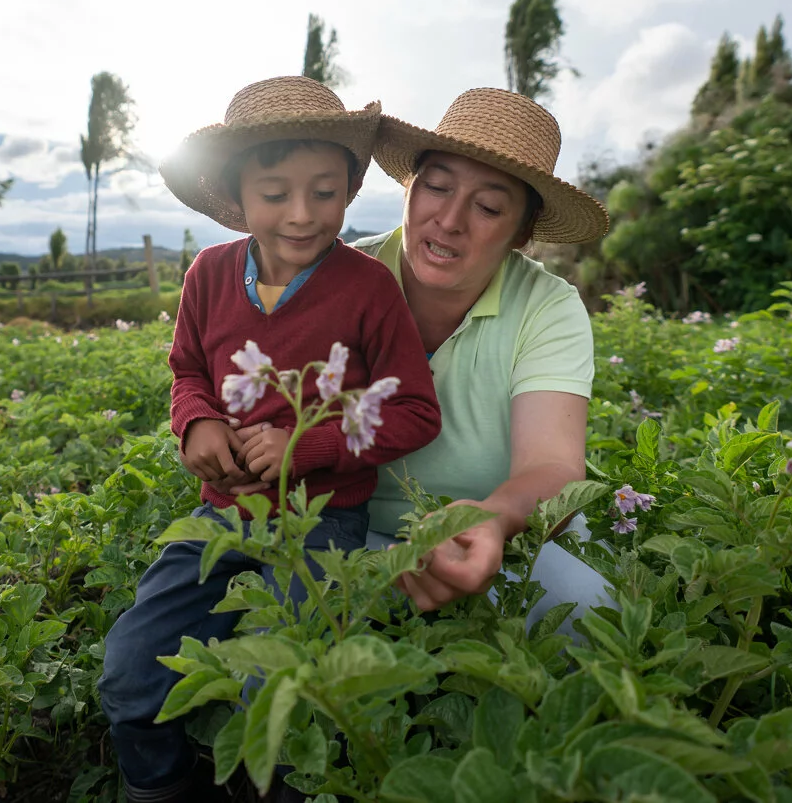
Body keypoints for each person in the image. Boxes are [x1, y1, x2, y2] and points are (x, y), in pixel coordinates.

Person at [97, 76, 442, 803]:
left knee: (275, 688)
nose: (302, 213)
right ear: (237, 198)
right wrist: (196, 422)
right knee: (130, 668)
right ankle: (157, 787)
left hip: (324, 519)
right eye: (276, 192)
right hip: (222, 514)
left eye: (324, 191)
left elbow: (413, 410)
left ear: (349, 191)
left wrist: (305, 446)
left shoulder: (368, 287)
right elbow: (187, 368)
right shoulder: (209, 274)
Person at [350, 87, 613, 625]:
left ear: (522, 234)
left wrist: (488, 520)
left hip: (500, 533)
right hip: (351, 530)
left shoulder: (548, 307)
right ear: (409, 187)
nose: (449, 220)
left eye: (489, 206)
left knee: (593, 610)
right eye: (437, 186)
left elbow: (552, 467)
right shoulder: (340, 278)